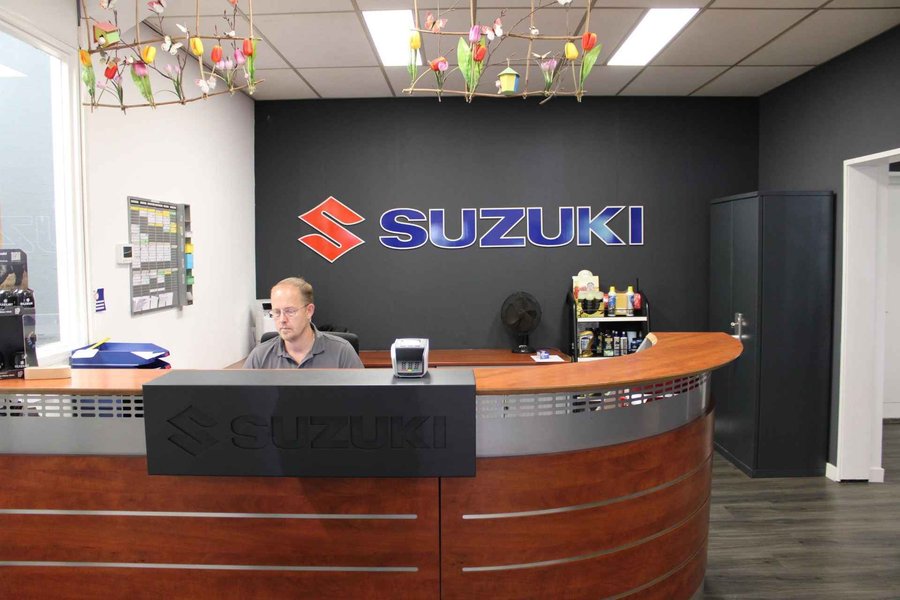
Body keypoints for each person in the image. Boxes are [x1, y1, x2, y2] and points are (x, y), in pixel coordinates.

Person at [244, 277, 363, 369]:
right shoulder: (259, 356)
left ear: (309, 311)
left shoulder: (342, 352)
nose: (282, 319)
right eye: (276, 312)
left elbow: (360, 394)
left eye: (290, 311)